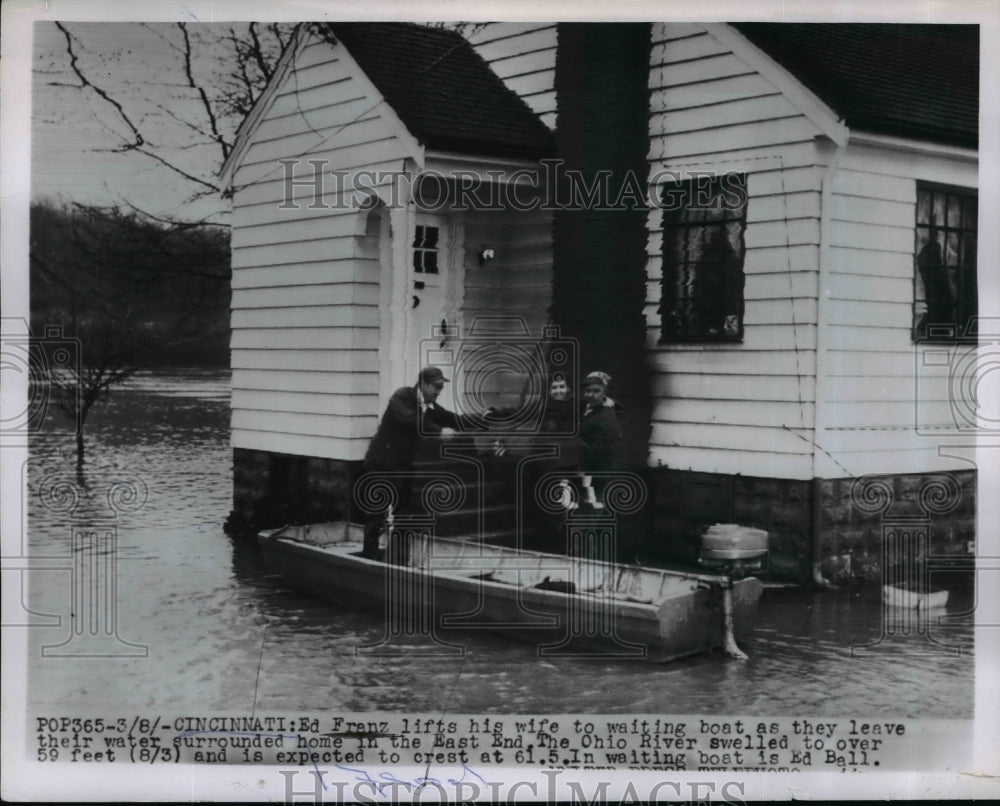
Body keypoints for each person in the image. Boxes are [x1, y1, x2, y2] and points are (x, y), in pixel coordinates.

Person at [361, 366, 469, 560]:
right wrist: (438, 431)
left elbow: (454, 419)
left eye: (441, 388)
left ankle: (397, 558)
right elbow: (411, 420)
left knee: (403, 513)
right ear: (423, 384)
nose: (438, 392)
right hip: (381, 463)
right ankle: (368, 558)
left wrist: (484, 420)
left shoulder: (430, 406)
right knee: (376, 512)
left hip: (403, 465)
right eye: (436, 387)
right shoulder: (401, 397)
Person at [576, 371, 623, 508]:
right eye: (588, 391)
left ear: (604, 394)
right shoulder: (587, 408)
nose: (591, 395)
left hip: (598, 472)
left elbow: (598, 448)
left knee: (594, 511)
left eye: (596, 391)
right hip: (585, 471)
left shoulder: (606, 417)